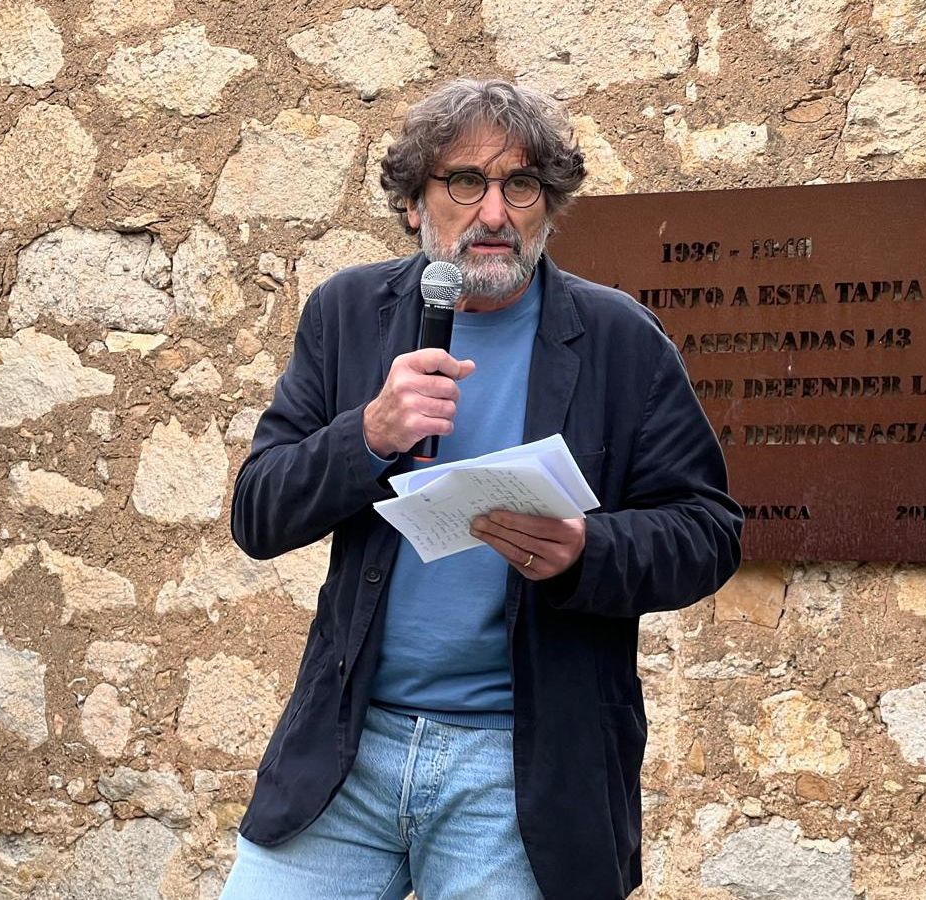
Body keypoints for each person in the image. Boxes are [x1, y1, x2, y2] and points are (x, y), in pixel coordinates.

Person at [223, 79, 742, 900]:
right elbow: (257, 512)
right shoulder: (348, 313)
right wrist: (368, 434)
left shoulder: (619, 338)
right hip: (347, 751)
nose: (493, 214)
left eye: (521, 186)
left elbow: (709, 532)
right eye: (465, 182)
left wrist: (585, 550)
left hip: (521, 769)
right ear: (413, 203)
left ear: (549, 206)